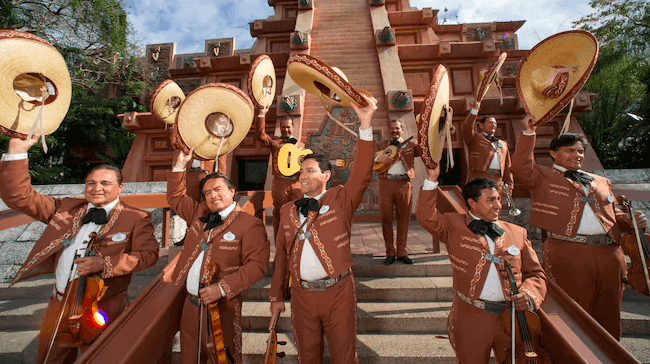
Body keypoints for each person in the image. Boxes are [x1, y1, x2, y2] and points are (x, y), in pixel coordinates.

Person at [0, 135, 160, 364]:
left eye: (106, 183)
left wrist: (105, 264)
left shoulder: (135, 218)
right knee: (50, 359)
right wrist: (16, 149)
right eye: (91, 183)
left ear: (120, 187)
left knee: (101, 359)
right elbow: (20, 197)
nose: (97, 189)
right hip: (59, 304)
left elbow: (148, 256)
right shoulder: (66, 209)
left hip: (104, 306)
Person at [511, 117, 646, 340]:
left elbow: (613, 214)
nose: (578, 155)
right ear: (553, 153)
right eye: (570, 150)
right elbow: (520, 169)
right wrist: (529, 132)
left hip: (610, 254)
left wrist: (632, 220)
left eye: (581, 151)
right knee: (574, 313)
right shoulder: (543, 176)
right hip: (569, 251)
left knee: (609, 314)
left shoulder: (600, 181)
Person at [268, 94, 377, 364]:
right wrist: (275, 296)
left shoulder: (341, 198)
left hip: (338, 292)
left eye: (310, 171)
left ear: (326, 175)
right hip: (302, 296)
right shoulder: (287, 210)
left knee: (343, 355)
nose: (303, 176)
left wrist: (365, 124)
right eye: (300, 172)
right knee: (308, 357)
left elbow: (362, 172)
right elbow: (281, 257)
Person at [415, 163, 547, 364]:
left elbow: (536, 274)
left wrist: (528, 295)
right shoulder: (453, 225)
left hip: (510, 318)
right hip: (471, 315)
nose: (498, 206)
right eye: (490, 200)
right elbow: (425, 216)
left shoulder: (517, 232)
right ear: (472, 202)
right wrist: (432, 179)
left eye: (499, 199)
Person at [168, 147, 270, 364]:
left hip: (223, 306)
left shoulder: (250, 225)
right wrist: (180, 165)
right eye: (207, 193)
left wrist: (222, 288)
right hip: (190, 305)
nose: (213, 195)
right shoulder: (199, 214)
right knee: (190, 358)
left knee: (225, 358)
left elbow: (258, 265)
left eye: (218, 189)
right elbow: (175, 197)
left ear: (232, 191)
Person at [374, 119, 421, 265]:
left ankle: (402, 252)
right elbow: (371, 159)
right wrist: (378, 157)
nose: (394, 130)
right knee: (386, 218)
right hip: (386, 183)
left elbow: (424, 151)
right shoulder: (381, 144)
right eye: (392, 128)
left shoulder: (411, 145)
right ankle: (390, 252)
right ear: (388, 130)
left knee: (404, 218)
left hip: (404, 183)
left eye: (397, 128)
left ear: (403, 130)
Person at [255, 108, 304, 237]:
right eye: (282, 128)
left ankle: (296, 245)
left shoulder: (301, 145)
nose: (285, 130)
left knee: (298, 214)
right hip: (280, 182)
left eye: (288, 127)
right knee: (280, 214)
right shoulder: (275, 143)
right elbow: (260, 135)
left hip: (297, 182)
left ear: (294, 127)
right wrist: (261, 114)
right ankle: (280, 247)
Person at [462, 101, 514, 196]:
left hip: (498, 180)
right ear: (481, 126)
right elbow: (467, 128)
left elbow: (508, 167)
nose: (493, 125)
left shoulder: (503, 144)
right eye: (490, 123)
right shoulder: (475, 139)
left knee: (495, 205)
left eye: (495, 123)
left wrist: (510, 185)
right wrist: (474, 111)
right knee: (480, 204)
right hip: (480, 177)